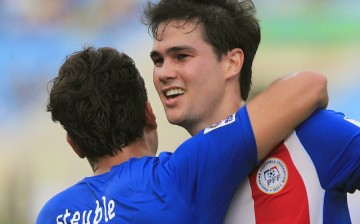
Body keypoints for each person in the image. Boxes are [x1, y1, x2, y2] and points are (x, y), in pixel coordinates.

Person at [36, 46, 327, 224]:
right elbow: (309, 86)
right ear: (149, 114)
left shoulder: (52, 215)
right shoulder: (180, 175)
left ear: (74, 145)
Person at [142, 0, 360, 223]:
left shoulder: (310, 136)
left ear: (232, 63)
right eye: (158, 61)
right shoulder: (174, 180)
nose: (163, 73)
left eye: (181, 56)